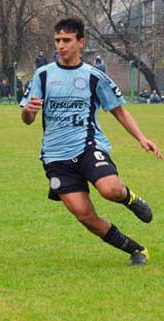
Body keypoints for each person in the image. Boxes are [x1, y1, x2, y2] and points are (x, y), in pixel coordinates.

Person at [21, 18, 163, 266]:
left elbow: (118, 110)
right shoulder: (42, 76)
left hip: (88, 146)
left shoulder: (94, 76)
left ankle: (129, 198)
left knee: (110, 190)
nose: (61, 46)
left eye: (66, 40)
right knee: (84, 215)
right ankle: (135, 249)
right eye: (57, 41)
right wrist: (30, 111)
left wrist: (142, 138)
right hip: (55, 158)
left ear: (81, 42)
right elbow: (27, 119)